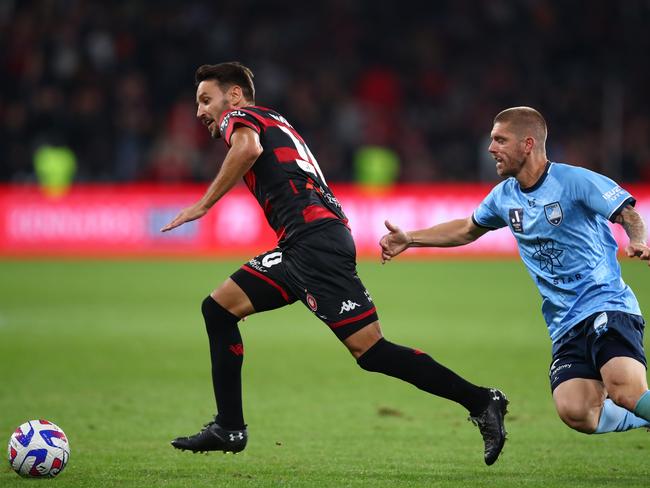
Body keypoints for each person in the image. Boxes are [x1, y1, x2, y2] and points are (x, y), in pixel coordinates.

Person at [161, 62, 508, 465]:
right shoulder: (274, 118)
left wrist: (204, 204)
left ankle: (482, 401)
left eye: (206, 100)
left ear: (234, 95)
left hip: (314, 243)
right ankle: (229, 427)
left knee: (372, 351)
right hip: (304, 242)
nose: (201, 111)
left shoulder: (240, 118)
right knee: (219, 308)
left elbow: (249, 149)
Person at [381, 106, 650, 437]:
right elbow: (467, 228)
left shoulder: (574, 181)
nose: (491, 148)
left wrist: (638, 241)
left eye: (499, 140)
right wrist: (411, 239)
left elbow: (627, 213)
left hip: (605, 304)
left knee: (624, 389)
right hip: (564, 322)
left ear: (527, 144)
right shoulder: (504, 197)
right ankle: (645, 416)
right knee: (577, 412)